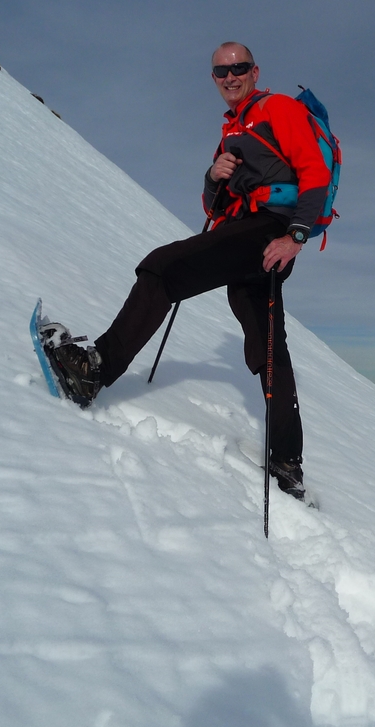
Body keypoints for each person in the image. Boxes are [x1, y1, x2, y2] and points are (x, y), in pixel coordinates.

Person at [52, 42, 332, 501]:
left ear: (255, 70)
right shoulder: (232, 131)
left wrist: (295, 237)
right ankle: (287, 461)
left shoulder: (277, 109)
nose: (231, 76)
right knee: (266, 340)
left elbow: (315, 173)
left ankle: (94, 370)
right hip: (251, 233)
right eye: (221, 71)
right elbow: (212, 206)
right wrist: (213, 176)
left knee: (164, 267)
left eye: (239, 67)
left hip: (268, 231)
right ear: (214, 78)